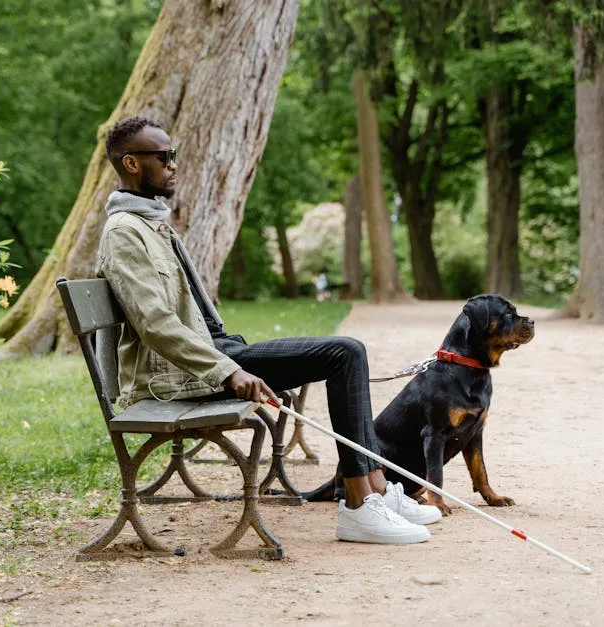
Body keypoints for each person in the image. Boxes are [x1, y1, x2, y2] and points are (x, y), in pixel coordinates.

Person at [95, 116, 440, 544]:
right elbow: (156, 326)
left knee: (348, 351)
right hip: (176, 377)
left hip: (210, 353)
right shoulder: (125, 233)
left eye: (173, 155)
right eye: (164, 156)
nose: (174, 164)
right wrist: (228, 371)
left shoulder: (152, 224)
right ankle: (356, 505)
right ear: (130, 163)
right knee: (343, 353)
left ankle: (374, 489)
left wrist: (226, 357)